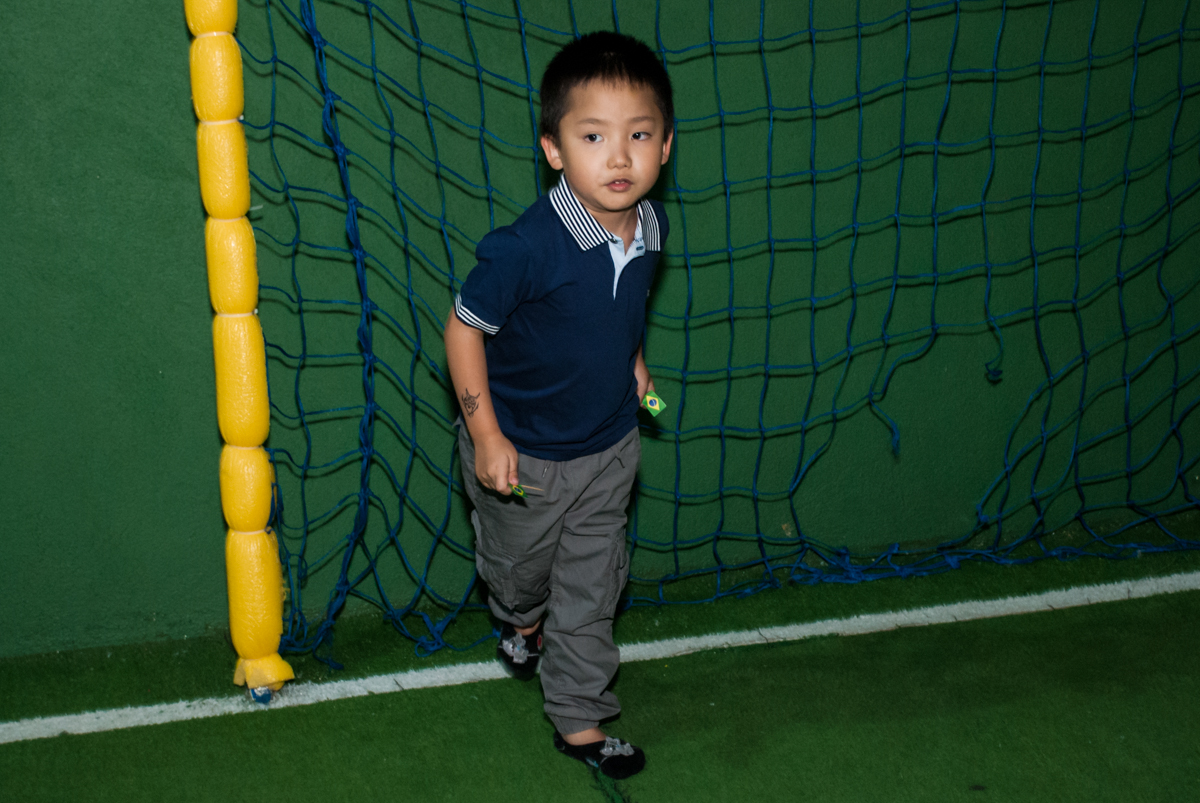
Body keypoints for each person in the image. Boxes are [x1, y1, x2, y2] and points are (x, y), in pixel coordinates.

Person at [443, 31, 673, 780]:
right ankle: (518, 617)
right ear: (553, 149)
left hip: (608, 448)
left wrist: (630, 364)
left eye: (638, 136)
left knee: (593, 582)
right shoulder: (526, 247)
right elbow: (463, 330)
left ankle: (579, 717)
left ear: (665, 147)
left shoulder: (651, 227)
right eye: (593, 136)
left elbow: (622, 309)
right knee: (522, 575)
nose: (618, 157)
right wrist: (486, 433)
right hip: (524, 454)